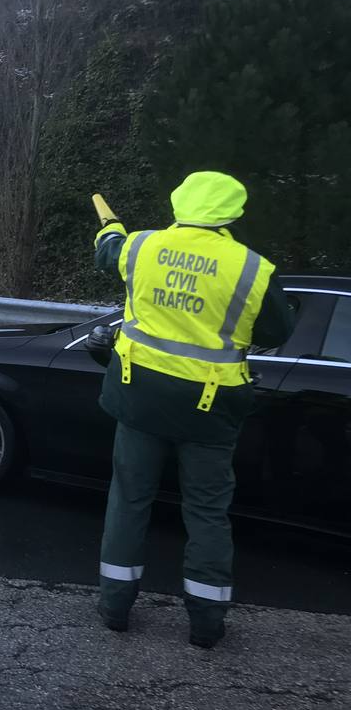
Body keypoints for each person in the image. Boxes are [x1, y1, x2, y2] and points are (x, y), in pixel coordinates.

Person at [92, 171, 295, 648]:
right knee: (206, 511)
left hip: (139, 395)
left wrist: (109, 228)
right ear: (232, 213)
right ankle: (206, 623)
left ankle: (115, 608)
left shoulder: (141, 247)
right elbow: (275, 333)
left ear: (179, 204)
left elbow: (108, 251)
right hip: (209, 408)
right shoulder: (251, 268)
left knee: (129, 500)